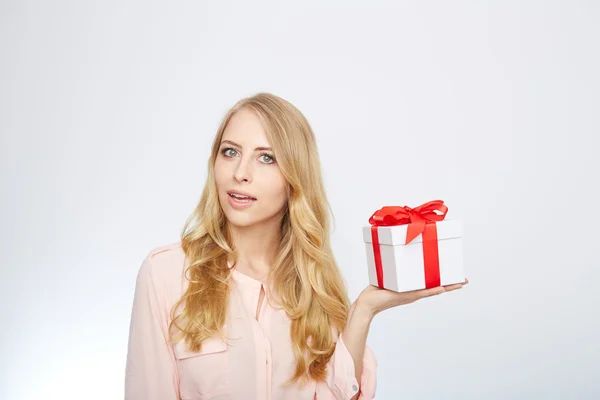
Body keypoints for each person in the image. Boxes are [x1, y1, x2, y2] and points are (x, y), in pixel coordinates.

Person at [124, 92, 468, 400]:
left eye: (266, 158)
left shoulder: (314, 284)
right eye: (230, 152)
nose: (240, 173)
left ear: (295, 179)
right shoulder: (165, 273)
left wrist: (364, 310)